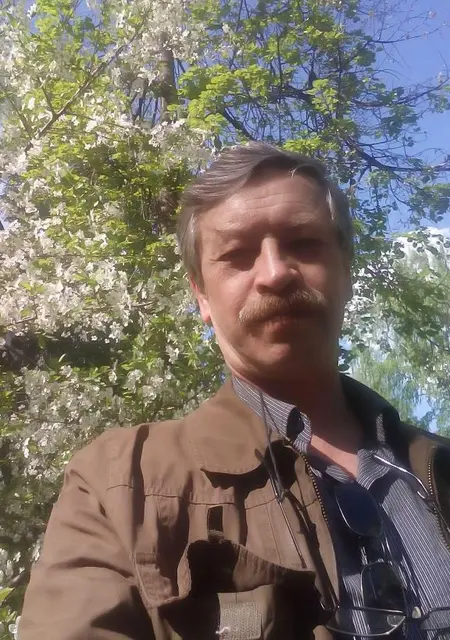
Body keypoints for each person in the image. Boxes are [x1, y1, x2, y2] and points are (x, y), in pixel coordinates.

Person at [19, 143, 450, 640]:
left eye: (304, 243)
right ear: (201, 296)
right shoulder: (117, 485)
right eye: (237, 255)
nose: (275, 273)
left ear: (346, 272)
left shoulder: (438, 464)